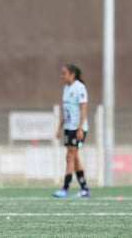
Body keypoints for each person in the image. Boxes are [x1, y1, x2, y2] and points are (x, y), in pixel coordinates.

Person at [53, 64, 91, 198]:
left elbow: (84, 109)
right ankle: (85, 188)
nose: (61, 76)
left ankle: (65, 188)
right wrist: (59, 127)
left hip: (77, 128)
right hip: (68, 127)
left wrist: (80, 128)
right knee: (74, 157)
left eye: (64, 73)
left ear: (72, 74)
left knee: (70, 156)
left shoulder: (80, 88)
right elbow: (66, 111)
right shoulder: (66, 88)